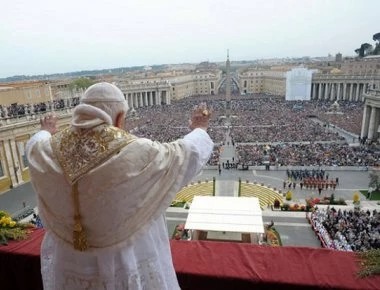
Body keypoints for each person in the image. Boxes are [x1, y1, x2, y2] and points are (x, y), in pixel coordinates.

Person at [26, 82, 213, 290]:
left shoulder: (46, 151)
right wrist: (200, 129)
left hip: (70, 267)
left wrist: (45, 131)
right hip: (122, 263)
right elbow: (186, 154)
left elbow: (33, 145)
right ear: (119, 118)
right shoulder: (137, 152)